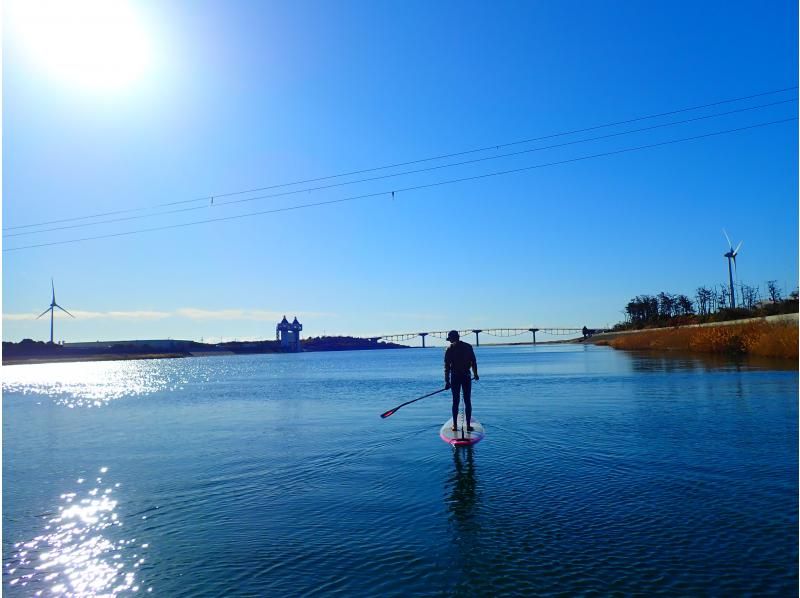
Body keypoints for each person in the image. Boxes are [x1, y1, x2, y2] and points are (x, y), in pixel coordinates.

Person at [444, 330, 479, 431]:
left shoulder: (449, 349)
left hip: (455, 377)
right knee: (467, 401)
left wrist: (447, 381)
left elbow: (447, 367)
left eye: (450, 339)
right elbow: (474, 362)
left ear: (452, 338)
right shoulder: (468, 347)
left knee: (456, 401)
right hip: (466, 377)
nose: (449, 341)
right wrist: (475, 374)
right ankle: (468, 426)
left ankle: (455, 425)